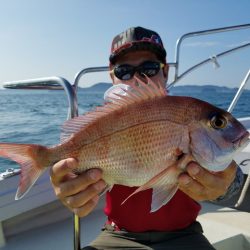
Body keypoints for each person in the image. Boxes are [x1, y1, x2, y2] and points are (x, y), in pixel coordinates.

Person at [50, 27, 244, 249]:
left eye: (149, 68)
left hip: (184, 235)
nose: (138, 78)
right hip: (118, 235)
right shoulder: (99, 125)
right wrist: (68, 186)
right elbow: (69, 169)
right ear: (112, 76)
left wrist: (226, 185)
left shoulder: (189, 114)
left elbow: (231, 179)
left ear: (166, 71)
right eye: (124, 71)